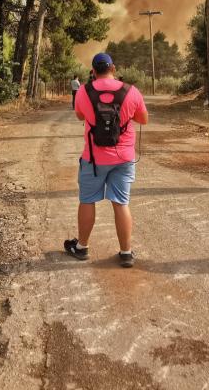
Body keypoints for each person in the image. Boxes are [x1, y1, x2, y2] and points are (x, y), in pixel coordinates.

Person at [65, 52, 149, 268]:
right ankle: (126, 252)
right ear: (113, 68)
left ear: (93, 71)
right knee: (121, 203)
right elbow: (143, 119)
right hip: (123, 158)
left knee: (87, 200)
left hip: (93, 159)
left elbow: (80, 116)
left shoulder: (84, 91)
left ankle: (82, 247)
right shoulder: (131, 91)